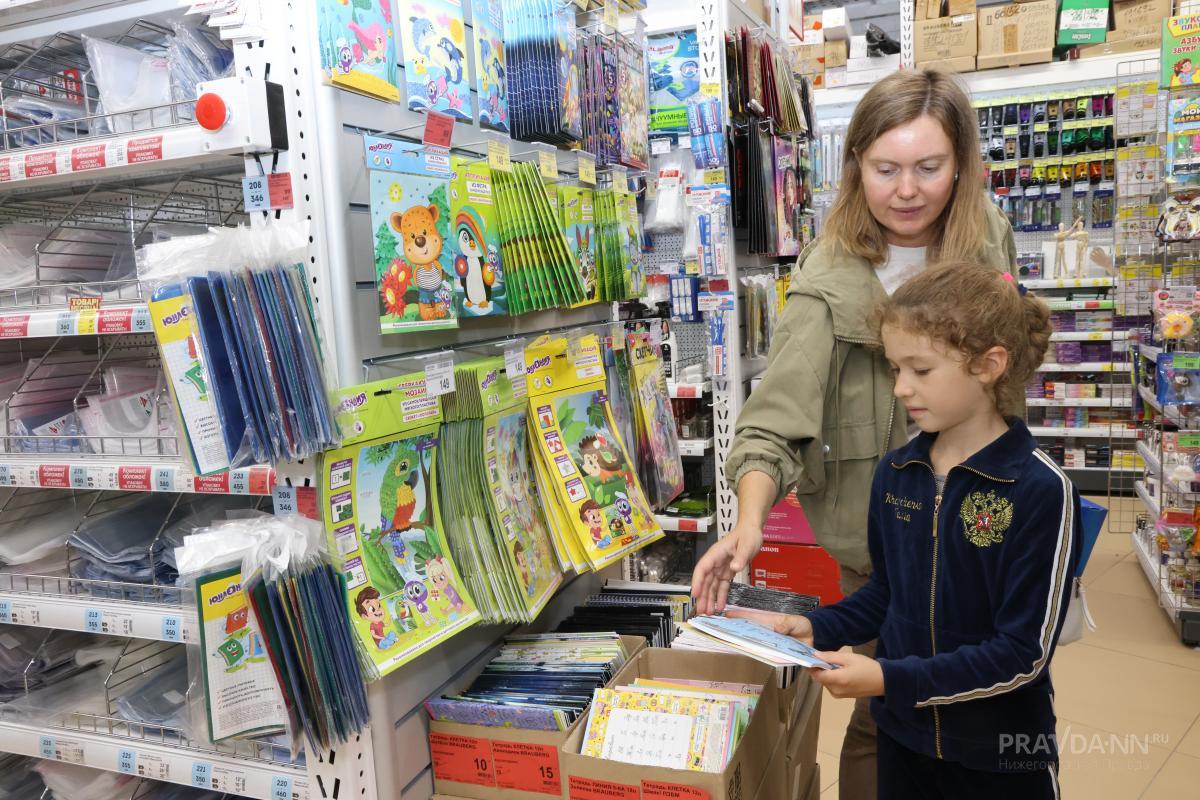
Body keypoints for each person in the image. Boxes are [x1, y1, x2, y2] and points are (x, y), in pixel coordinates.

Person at [690, 68, 1017, 800]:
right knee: (883, 717)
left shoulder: (990, 241)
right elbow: (775, 422)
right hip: (880, 558)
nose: (907, 191)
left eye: (929, 167)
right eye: (885, 169)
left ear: (961, 163)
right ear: (856, 165)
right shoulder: (827, 276)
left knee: (982, 711)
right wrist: (749, 524)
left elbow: (1008, 386)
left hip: (981, 540)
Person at [733, 263, 1081, 799]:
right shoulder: (897, 473)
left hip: (1000, 753)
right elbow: (886, 593)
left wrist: (889, 679)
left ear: (989, 366)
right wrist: (815, 628)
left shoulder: (1039, 489)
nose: (900, 388)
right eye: (895, 368)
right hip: (902, 738)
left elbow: (1024, 653)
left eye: (920, 369)